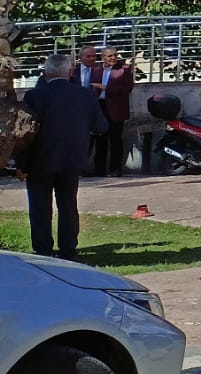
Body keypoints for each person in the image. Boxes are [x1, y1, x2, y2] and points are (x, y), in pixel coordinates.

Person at [21, 54, 104, 259]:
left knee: (40, 207)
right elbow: (101, 126)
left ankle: (43, 250)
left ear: (45, 73)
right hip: (72, 159)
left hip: (40, 159)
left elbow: (24, 133)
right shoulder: (85, 95)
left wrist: (21, 164)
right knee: (68, 205)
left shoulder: (34, 96)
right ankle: (68, 249)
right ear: (70, 72)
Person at [96, 47, 134, 176]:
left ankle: (115, 169)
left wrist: (106, 88)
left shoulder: (124, 69)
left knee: (115, 139)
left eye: (115, 55)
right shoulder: (96, 69)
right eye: (109, 56)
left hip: (116, 107)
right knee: (100, 140)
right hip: (100, 106)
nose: (113, 58)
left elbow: (127, 88)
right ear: (103, 58)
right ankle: (99, 170)